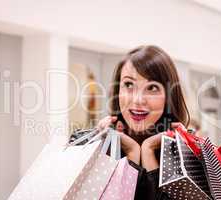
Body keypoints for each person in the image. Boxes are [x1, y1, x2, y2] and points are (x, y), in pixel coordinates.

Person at [70, 45, 190, 200]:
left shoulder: (187, 156)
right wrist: (132, 154)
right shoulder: (85, 146)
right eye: (128, 85)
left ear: (169, 96)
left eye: (152, 87)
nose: (138, 100)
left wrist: (148, 152)